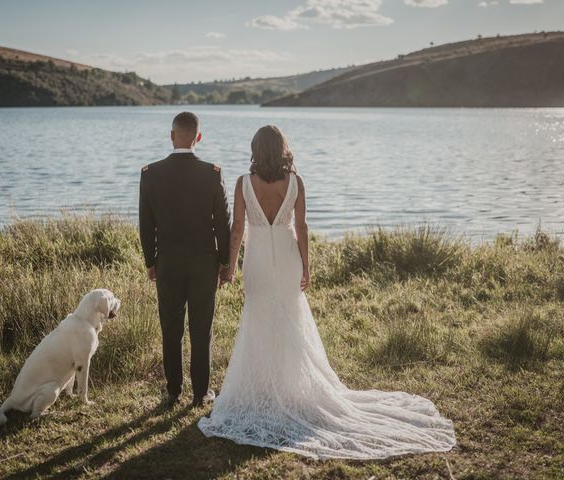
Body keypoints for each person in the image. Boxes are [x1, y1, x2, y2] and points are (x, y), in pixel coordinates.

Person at [197, 125, 456, 459]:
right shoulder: (296, 182)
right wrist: (306, 266)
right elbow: (301, 227)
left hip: (258, 260)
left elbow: (237, 230)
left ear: (255, 150)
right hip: (287, 258)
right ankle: (288, 388)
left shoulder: (244, 183)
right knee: (288, 317)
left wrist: (230, 266)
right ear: (282, 149)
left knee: (260, 318)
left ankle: (265, 388)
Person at [139, 112, 231, 408]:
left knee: (171, 328)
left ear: (172, 135)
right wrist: (224, 261)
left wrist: (150, 261)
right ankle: (201, 393)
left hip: (168, 263)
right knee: (201, 330)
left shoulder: (150, 173)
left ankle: (173, 391)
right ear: (198, 137)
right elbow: (223, 224)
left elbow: (146, 223)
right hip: (205, 263)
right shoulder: (212, 173)